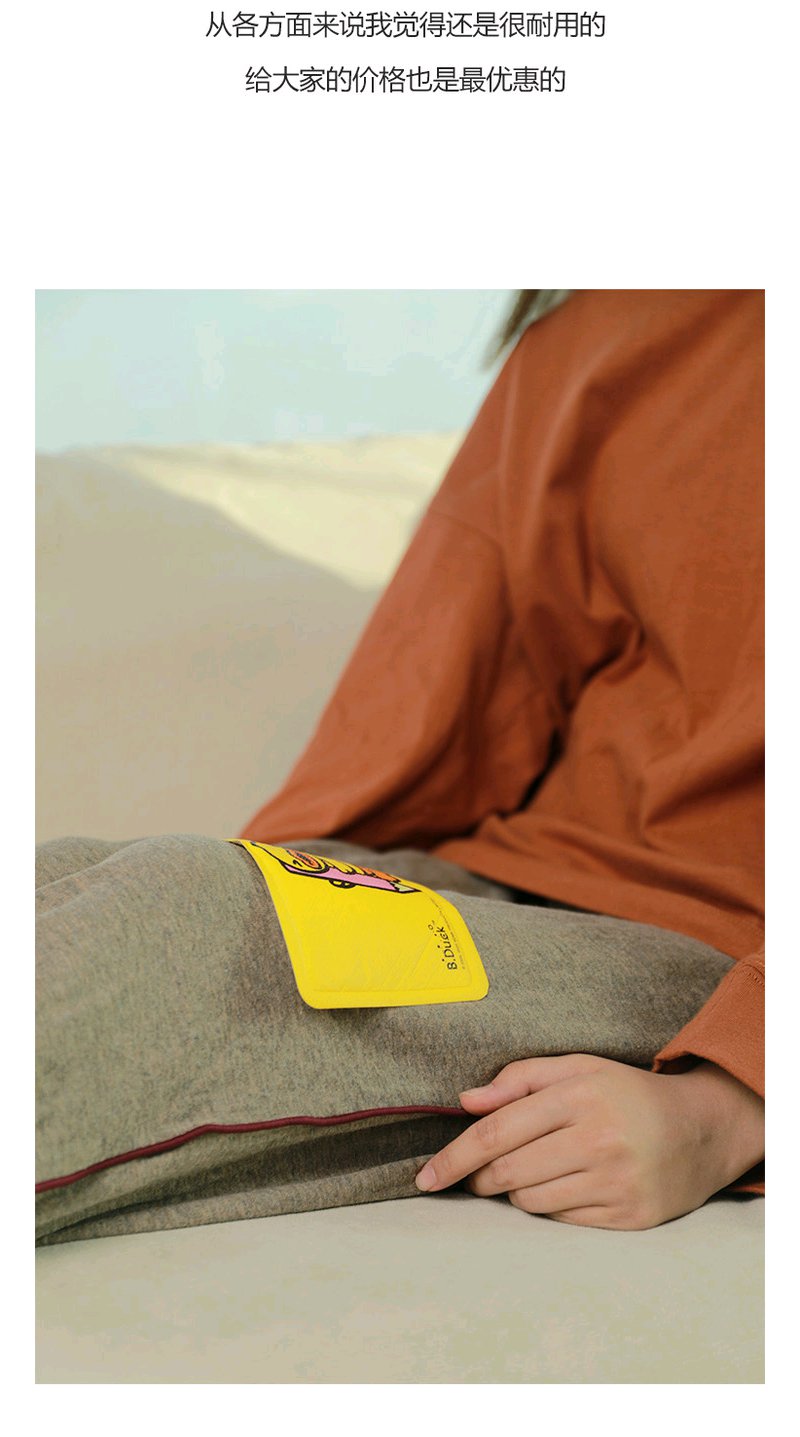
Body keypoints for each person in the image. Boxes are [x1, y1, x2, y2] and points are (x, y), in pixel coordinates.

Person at [36, 289, 763, 1243]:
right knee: (80, 876)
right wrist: (287, 873)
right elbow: (453, 678)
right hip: (520, 883)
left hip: (723, 955)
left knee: (188, 927)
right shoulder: (611, 313)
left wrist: (728, 1105)